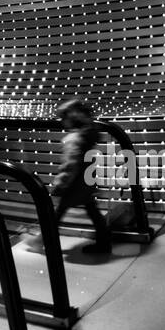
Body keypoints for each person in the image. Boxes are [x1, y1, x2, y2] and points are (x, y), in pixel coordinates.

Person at [50, 99, 112, 254]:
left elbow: (70, 165)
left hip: (73, 184)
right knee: (92, 211)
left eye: (63, 118)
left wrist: (60, 184)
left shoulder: (74, 139)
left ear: (70, 119)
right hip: (86, 181)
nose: (62, 122)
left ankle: (46, 240)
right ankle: (104, 243)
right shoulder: (87, 135)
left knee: (58, 213)